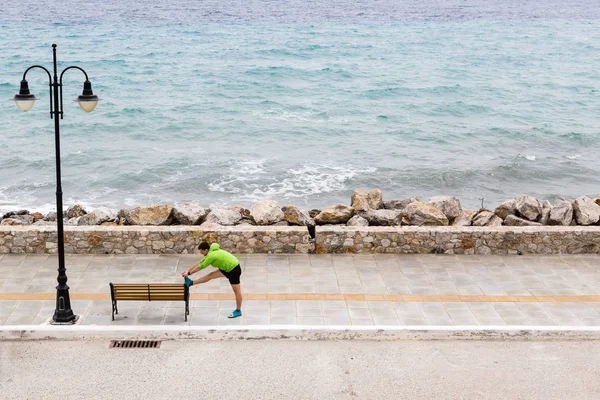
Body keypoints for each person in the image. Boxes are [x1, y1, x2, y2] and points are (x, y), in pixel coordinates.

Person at [181, 242, 243, 318]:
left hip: (234, 270)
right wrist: (188, 271)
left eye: (202, 252)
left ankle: (238, 311)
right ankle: (191, 283)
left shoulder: (212, 255)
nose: (201, 254)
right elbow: (200, 262)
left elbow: (200, 267)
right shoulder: (211, 251)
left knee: (237, 292)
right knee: (210, 275)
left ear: (206, 250)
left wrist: (189, 273)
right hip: (226, 268)